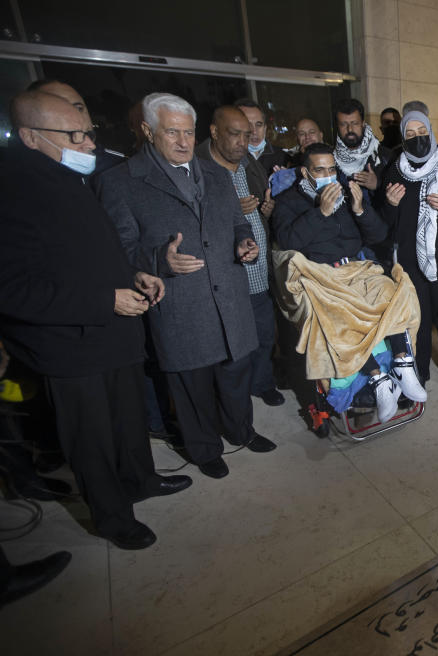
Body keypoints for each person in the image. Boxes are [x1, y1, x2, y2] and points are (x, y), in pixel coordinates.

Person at [0, 91, 191, 549]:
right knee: (91, 440)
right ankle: (112, 517)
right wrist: (104, 299)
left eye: (86, 133)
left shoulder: (69, 179)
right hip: (72, 343)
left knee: (127, 422)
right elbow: (13, 289)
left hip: (115, 336)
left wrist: (135, 275)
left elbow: (95, 255)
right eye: (73, 135)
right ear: (29, 136)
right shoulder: (13, 192)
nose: (87, 145)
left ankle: (140, 479)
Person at [99, 93, 277, 481]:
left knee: (235, 375)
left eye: (188, 132)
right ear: (148, 131)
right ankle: (204, 448)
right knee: (191, 385)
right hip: (181, 303)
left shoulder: (215, 173)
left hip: (229, 297)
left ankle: (241, 430)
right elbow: (119, 250)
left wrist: (243, 242)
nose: (183, 142)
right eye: (172, 132)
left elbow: (237, 223)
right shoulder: (120, 182)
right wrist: (160, 259)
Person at [272, 143, 426, 422]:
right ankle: (379, 379)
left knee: (394, 291)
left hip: (357, 268)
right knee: (339, 316)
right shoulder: (287, 202)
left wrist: (358, 210)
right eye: (320, 170)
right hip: (321, 277)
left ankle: (403, 363)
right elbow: (287, 243)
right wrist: (321, 213)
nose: (328, 175)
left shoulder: (346, 193)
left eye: (332, 169)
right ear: (305, 172)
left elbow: (378, 235)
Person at [378, 111, 438, 396]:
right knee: (416, 324)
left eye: (422, 131)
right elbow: (385, 222)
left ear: (431, 132)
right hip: (409, 262)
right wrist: (390, 204)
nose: (417, 137)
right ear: (403, 137)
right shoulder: (395, 169)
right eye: (410, 133)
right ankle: (419, 377)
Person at [197, 106, 284, 406]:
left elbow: (265, 206)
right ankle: (234, 401)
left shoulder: (249, 164)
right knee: (233, 345)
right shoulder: (198, 168)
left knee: (263, 335)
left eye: (247, 135)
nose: (242, 143)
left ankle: (263, 383)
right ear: (214, 132)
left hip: (259, 270)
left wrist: (266, 212)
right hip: (227, 276)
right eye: (235, 134)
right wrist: (233, 212)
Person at [25, 79, 126, 177]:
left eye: (78, 108)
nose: (73, 115)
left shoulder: (119, 168)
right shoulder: (23, 177)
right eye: (60, 110)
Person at [333, 98, 381, 192]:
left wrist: (377, 185)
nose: (350, 129)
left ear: (363, 124)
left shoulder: (383, 156)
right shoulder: (330, 159)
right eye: (343, 124)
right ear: (337, 126)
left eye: (354, 123)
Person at [235, 97, 289, 173]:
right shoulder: (231, 157)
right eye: (248, 125)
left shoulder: (282, 157)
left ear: (265, 128)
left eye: (258, 124)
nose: (254, 131)